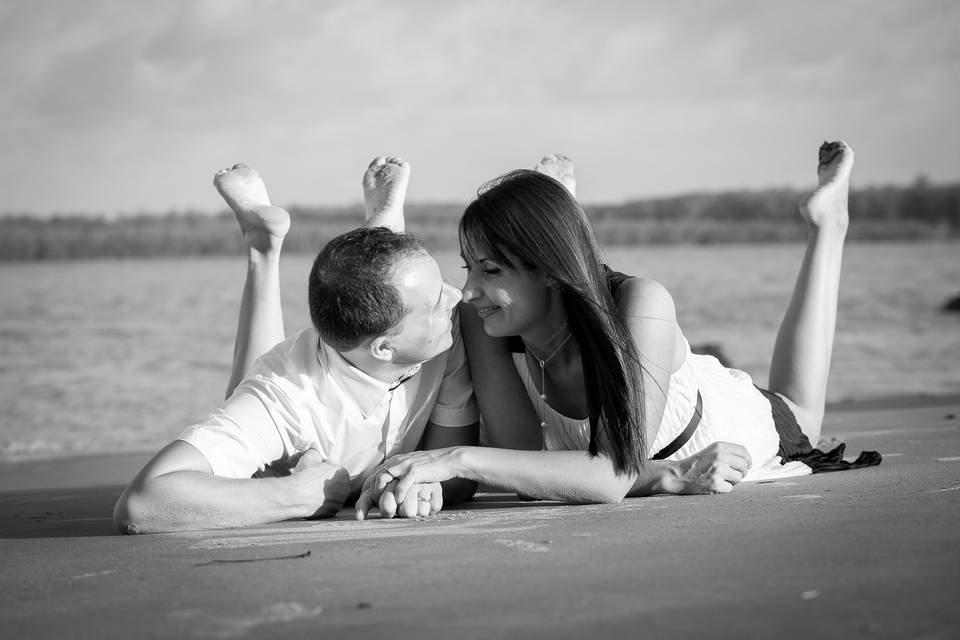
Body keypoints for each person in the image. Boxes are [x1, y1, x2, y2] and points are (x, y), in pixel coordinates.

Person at [355, 141, 880, 517]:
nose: (467, 289)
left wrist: (449, 459)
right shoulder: (482, 317)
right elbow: (523, 466)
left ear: (551, 268)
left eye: (490, 270)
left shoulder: (643, 303)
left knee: (801, 415)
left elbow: (609, 476)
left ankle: (828, 226)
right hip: (614, 423)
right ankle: (551, 204)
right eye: (469, 266)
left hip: (721, 422)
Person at [112, 157, 479, 534]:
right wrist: (298, 495)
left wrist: (421, 480)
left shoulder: (439, 336)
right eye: (437, 301)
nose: (459, 296)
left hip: (369, 331)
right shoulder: (284, 396)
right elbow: (143, 504)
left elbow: (456, 471)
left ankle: (381, 231)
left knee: (383, 287)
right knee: (251, 388)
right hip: (311, 375)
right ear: (386, 349)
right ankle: (262, 247)